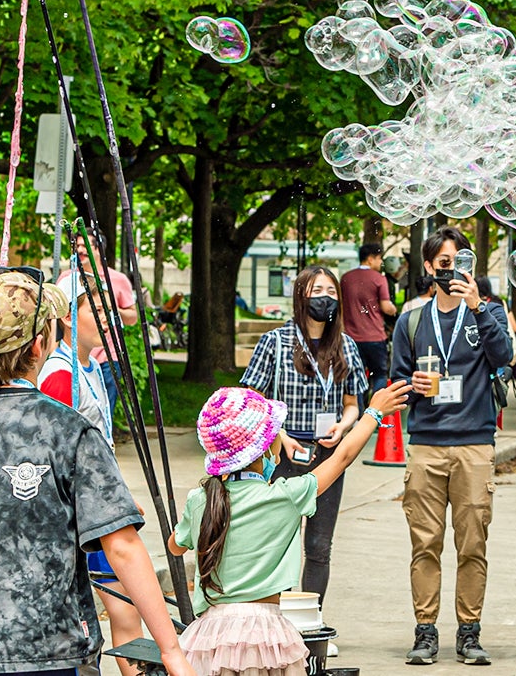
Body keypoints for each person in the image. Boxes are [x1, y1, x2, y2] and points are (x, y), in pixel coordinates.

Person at [0, 269, 190, 676]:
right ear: (39, 346)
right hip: (50, 654)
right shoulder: (70, 430)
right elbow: (123, 547)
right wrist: (172, 651)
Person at [167, 383, 409, 676]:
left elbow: (175, 546)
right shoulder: (285, 496)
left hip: (211, 637)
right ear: (266, 449)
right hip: (264, 634)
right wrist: (373, 411)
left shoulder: (201, 498)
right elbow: (342, 457)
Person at [389, 226, 512, 665]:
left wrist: (478, 306)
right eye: (445, 264)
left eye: (461, 263)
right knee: (425, 544)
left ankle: (468, 631)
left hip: (475, 445)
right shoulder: (412, 320)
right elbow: (396, 383)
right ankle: (425, 632)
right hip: (426, 446)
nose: (453, 271)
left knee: (472, 544)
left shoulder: (488, 313)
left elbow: (505, 358)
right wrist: (412, 386)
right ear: (428, 268)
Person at [240, 266, 368, 609]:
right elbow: (252, 399)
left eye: (330, 291)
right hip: (282, 454)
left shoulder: (346, 346)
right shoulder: (275, 341)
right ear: (300, 296)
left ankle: (311, 622)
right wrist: (279, 433)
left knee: (319, 545)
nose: (324, 298)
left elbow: (353, 404)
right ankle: (272, 620)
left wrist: (344, 426)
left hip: (328, 455)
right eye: (316, 290)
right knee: (276, 541)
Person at [39, 273, 142, 675]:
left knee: (125, 611)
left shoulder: (93, 368)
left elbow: (102, 444)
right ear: (67, 316)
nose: (107, 318)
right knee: (109, 611)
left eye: (109, 309)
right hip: (79, 514)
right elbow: (56, 455)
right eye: (95, 309)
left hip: (100, 503)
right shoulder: (60, 374)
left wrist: (119, 491)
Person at [56, 230, 139, 423]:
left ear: (99, 249)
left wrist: (109, 309)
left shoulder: (117, 280)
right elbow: (55, 316)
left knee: (103, 415)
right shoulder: (67, 279)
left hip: (107, 359)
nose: (80, 250)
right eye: (77, 246)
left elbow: (133, 316)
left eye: (85, 245)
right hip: (73, 357)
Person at [341, 243, 397, 404]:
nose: (381, 263)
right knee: (379, 374)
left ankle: (357, 413)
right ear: (371, 259)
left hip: (351, 338)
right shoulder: (379, 278)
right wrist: (393, 310)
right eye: (379, 259)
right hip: (374, 337)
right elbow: (386, 307)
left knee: (355, 376)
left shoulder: (346, 278)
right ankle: (376, 410)